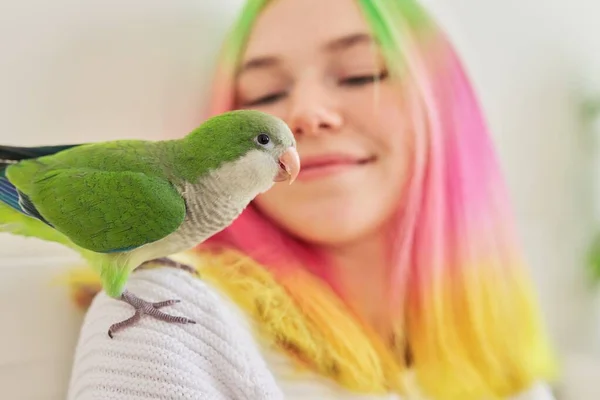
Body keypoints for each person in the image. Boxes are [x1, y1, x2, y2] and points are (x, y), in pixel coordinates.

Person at [66, 0, 559, 399]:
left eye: (359, 74)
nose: (302, 114)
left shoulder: (503, 363)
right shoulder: (164, 308)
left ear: (446, 110)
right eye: (265, 93)